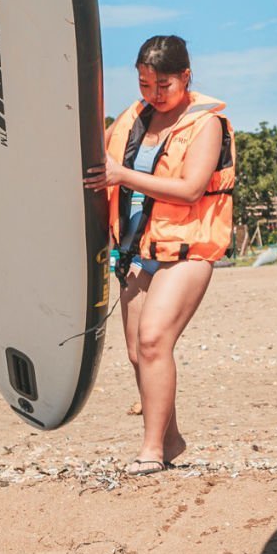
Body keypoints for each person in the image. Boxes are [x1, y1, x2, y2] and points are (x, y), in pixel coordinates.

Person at [84, 36, 235, 476]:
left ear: (186, 76)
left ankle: (150, 450)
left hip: (187, 251)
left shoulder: (206, 124)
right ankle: (170, 439)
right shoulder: (133, 117)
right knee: (138, 352)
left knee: (153, 340)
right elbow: (97, 161)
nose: (153, 94)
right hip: (135, 251)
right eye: (145, 84)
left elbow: (190, 189)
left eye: (163, 85)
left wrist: (122, 175)